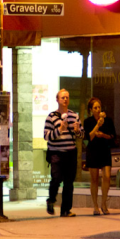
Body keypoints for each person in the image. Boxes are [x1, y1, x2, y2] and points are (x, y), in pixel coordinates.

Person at [44, 89, 83, 217]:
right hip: (56, 153)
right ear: (57, 100)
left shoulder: (74, 116)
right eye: (63, 97)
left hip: (70, 153)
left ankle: (65, 210)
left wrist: (77, 131)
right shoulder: (51, 117)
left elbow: (82, 135)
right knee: (56, 178)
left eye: (67, 97)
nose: (65, 100)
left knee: (68, 182)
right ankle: (51, 200)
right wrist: (59, 130)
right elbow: (46, 136)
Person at [84, 97, 116, 216]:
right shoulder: (88, 122)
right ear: (91, 110)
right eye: (95, 108)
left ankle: (104, 203)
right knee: (94, 179)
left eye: (99, 107)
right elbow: (90, 137)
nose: (98, 110)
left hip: (104, 150)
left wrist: (104, 135)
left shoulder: (108, 121)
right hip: (93, 151)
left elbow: (113, 136)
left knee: (107, 176)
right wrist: (97, 125)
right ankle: (95, 206)